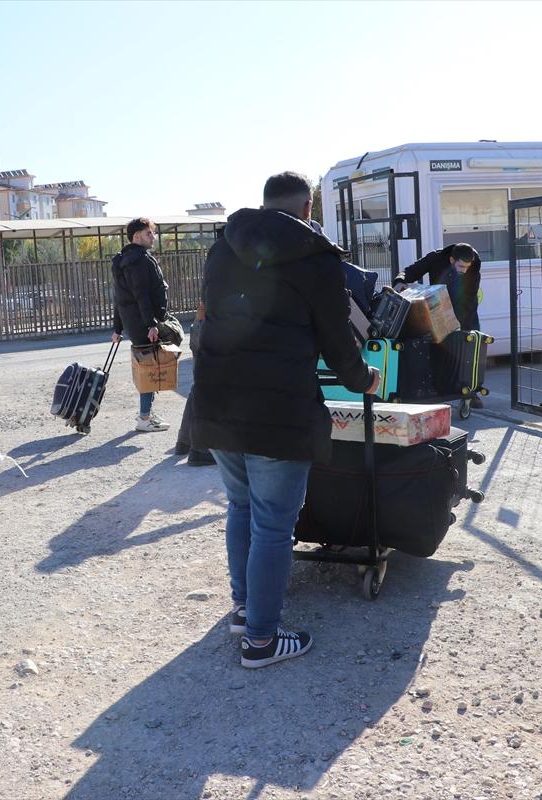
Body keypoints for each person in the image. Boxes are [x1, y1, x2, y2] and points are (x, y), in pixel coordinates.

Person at [190, 171, 383, 669]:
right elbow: (337, 339)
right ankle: (262, 638)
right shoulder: (315, 256)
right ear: (307, 205)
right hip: (278, 409)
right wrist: (364, 379)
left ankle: (245, 609)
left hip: (219, 400)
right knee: (274, 525)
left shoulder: (222, 247)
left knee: (241, 508)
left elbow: (208, 316)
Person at [392, 242, 483, 406]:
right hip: (437, 309)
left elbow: (468, 299)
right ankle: (440, 388)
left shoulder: (473, 266)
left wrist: (458, 324)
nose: (464, 270)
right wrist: (400, 281)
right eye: (461, 266)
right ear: (451, 260)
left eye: (466, 267)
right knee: (437, 349)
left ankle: (471, 391)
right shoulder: (435, 257)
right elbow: (412, 270)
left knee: (468, 347)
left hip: (464, 310)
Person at [112, 217, 172, 433]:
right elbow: (141, 296)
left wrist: (117, 328)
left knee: (149, 365)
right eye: (149, 233)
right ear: (136, 236)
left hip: (134, 323)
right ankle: (145, 418)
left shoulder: (123, 260)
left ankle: (147, 413)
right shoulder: (139, 260)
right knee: (149, 366)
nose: (153, 237)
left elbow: (119, 297)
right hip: (143, 324)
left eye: (153, 233)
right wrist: (151, 325)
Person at [173, 302, 215, 466]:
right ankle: (200, 449)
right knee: (212, 388)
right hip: (215, 326)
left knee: (199, 386)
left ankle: (184, 441)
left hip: (201, 324)